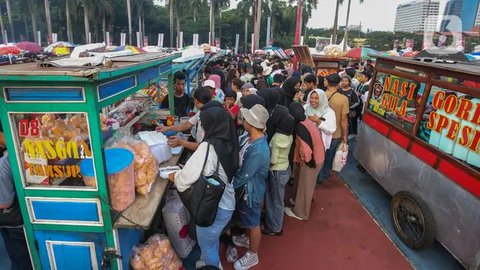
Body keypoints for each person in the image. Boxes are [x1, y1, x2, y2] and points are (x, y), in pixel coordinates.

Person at [169, 106, 239, 269]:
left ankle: (213, 265)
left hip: (214, 206)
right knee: (212, 240)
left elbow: (186, 179)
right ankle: (212, 263)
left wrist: (175, 176)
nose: (201, 126)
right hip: (227, 202)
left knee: (206, 245)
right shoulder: (229, 140)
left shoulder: (208, 147)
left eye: (203, 123)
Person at [232, 104, 270, 270]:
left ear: (252, 124)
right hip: (244, 189)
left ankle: (253, 254)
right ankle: (247, 240)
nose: (243, 120)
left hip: (250, 192)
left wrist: (228, 187)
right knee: (246, 217)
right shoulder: (247, 137)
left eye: (246, 118)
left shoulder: (259, 149)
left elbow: (244, 176)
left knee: (253, 221)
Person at [0, 125, 33, 270]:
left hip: (14, 223)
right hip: (26, 217)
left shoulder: (5, 163)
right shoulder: (25, 156)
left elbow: (4, 204)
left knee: (21, 261)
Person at [285, 103, 325, 221]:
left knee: (305, 185)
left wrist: (305, 161)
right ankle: (297, 200)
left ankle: (300, 213)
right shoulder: (306, 121)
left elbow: (306, 150)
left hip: (312, 161)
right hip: (318, 156)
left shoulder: (300, 128)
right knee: (303, 182)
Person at [263, 106, 294, 236]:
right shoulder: (289, 135)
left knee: (275, 200)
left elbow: (273, 160)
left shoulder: (276, 138)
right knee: (278, 198)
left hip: (276, 171)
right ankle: (274, 222)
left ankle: (274, 227)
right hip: (285, 168)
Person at [319, 74, 349, 183]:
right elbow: (343, 119)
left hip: (320, 130)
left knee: (319, 152)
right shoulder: (343, 99)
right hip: (335, 133)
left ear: (327, 82)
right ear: (339, 83)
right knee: (329, 154)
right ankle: (323, 174)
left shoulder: (319, 95)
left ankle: (316, 173)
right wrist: (345, 135)